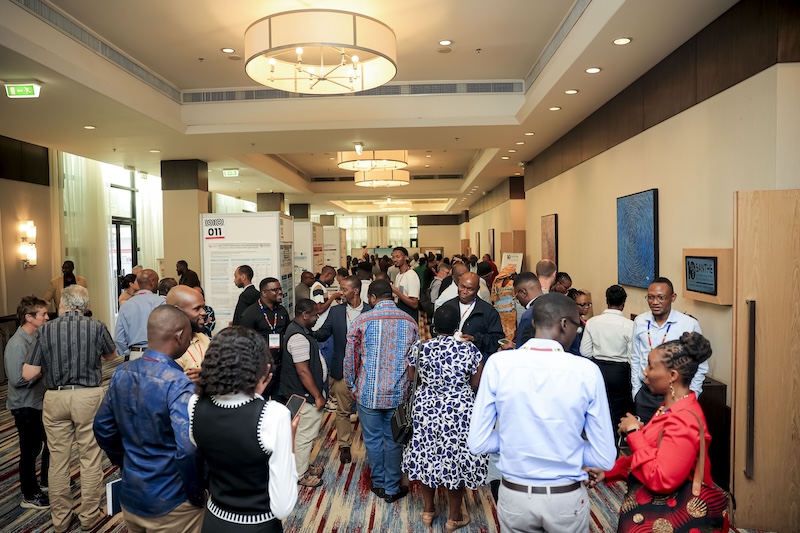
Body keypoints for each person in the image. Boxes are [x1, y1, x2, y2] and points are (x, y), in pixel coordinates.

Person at [468, 292, 615, 532]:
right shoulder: (586, 371)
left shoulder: (498, 364)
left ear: (535, 322)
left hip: (515, 495)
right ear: (565, 324)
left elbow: (478, 442)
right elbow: (604, 457)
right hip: (564, 497)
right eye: (577, 328)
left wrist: (518, 442)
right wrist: (563, 448)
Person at [585, 332, 719, 532]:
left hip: (673, 516)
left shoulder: (684, 420)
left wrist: (634, 432)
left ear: (672, 376)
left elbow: (662, 478)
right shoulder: (669, 408)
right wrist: (609, 472)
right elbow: (652, 453)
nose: (645, 372)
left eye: (651, 366)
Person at [93, 306, 204, 532]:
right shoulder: (178, 383)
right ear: (180, 335)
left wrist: (126, 462)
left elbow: (103, 428)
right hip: (173, 503)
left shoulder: (122, 372)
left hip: (132, 495)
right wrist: (196, 493)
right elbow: (187, 449)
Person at [22, 285, 117, 533]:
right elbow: (112, 355)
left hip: (55, 398)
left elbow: (28, 373)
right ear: (85, 305)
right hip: (88, 397)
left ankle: (61, 520)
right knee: (90, 458)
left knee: (57, 461)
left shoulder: (45, 330)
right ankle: (89, 516)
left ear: (62, 304)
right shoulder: (97, 326)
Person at [190, 327, 299, 532]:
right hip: (258, 525)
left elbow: (211, 446)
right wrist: (289, 443)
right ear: (262, 368)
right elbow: (282, 507)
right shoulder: (274, 415)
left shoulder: (194, 404)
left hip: (214, 519)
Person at [402, 305, 487, 531]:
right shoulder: (469, 349)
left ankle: (428, 510)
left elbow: (411, 376)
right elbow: (477, 382)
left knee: (427, 456)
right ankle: (454, 517)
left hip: (426, 408)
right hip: (458, 410)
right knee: (454, 460)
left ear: (434, 326)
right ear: (457, 326)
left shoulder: (420, 347)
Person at [345, 280, 420, 503]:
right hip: (398, 394)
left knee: (373, 440)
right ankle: (392, 487)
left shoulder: (361, 320)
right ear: (392, 296)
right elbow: (415, 361)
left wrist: (351, 385)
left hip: (368, 393)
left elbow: (351, 357)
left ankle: (378, 482)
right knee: (395, 441)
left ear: (372, 298)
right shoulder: (409, 321)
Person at [312, 276, 371, 464]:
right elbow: (324, 333)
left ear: (356, 291)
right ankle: (345, 444)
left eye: (344, 289)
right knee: (343, 410)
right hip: (342, 369)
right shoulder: (336, 311)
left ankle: (371, 445)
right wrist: (305, 331)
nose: (341, 292)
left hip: (366, 370)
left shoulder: (371, 311)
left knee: (368, 411)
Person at [632, 277, 704, 423]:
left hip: (675, 395)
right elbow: (635, 357)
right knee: (644, 434)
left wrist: (693, 394)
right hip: (645, 394)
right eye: (650, 297)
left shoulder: (688, 324)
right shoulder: (640, 321)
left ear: (673, 297)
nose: (655, 302)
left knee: (671, 434)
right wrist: (636, 391)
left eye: (661, 297)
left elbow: (700, 364)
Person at [5, 296, 50, 509]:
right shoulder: (17, 344)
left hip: (36, 403)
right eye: (43, 314)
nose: (47, 317)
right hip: (24, 406)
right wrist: (41, 372)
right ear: (29, 317)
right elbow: (17, 379)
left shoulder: (34, 338)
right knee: (30, 450)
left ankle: (46, 481)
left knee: (48, 443)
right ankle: (29, 495)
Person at [278, 299, 326, 488]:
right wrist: (317, 396)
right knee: (305, 436)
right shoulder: (298, 337)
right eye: (315, 314)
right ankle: (300, 473)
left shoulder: (298, 330)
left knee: (301, 434)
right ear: (305, 315)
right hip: (304, 396)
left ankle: (302, 465)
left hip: (299, 393)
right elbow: (303, 371)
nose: (317, 317)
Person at [580, 284, 634, 446]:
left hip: (598, 370)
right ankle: (614, 446)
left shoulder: (592, 322)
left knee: (598, 408)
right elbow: (632, 357)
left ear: (607, 301)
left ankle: (596, 443)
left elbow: (584, 351)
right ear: (623, 303)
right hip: (620, 373)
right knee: (617, 412)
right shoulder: (629, 325)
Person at [239, 277, 291, 400]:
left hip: (280, 367)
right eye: (275, 290)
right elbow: (244, 343)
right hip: (260, 368)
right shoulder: (250, 313)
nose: (280, 292)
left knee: (280, 402)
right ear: (264, 293)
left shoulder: (282, 311)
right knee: (260, 402)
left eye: (280, 289)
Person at [437, 272, 504, 360]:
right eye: (462, 287)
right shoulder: (447, 306)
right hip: (448, 358)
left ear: (477, 289)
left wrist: (475, 339)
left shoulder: (488, 312)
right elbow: (435, 328)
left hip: (475, 361)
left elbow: (496, 340)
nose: (464, 291)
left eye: (470, 289)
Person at [115, 269, 165, 360]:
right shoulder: (161, 302)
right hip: (157, 354)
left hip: (135, 354)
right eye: (157, 281)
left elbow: (119, 338)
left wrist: (128, 352)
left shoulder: (125, 305)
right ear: (152, 282)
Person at [167, 286, 211, 383]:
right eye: (197, 309)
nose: (204, 313)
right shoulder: (167, 346)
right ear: (178, 311)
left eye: (203, 307)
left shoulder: (203, 338)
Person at [513, 272, 544, 348]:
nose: (517, 300)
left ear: (523, 292)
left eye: (516, 296)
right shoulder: (559, 307)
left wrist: (510, 348)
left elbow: (521, 348)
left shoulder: (529, 315)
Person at [391, 246, 421, 322]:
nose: (395, 259)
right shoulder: (398, 275)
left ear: (406, 258)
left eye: (398, 257)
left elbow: (414, 304)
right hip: (400, 313)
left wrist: (396, 291)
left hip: (408, 316)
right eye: (393, 257)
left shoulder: (411, 275)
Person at [491, 264, 517, 341]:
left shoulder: (496, 283)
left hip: (498, 310)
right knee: (510, 328)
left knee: (502, 327)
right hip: (510, 310)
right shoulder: (512, 283)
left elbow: (493, 297)